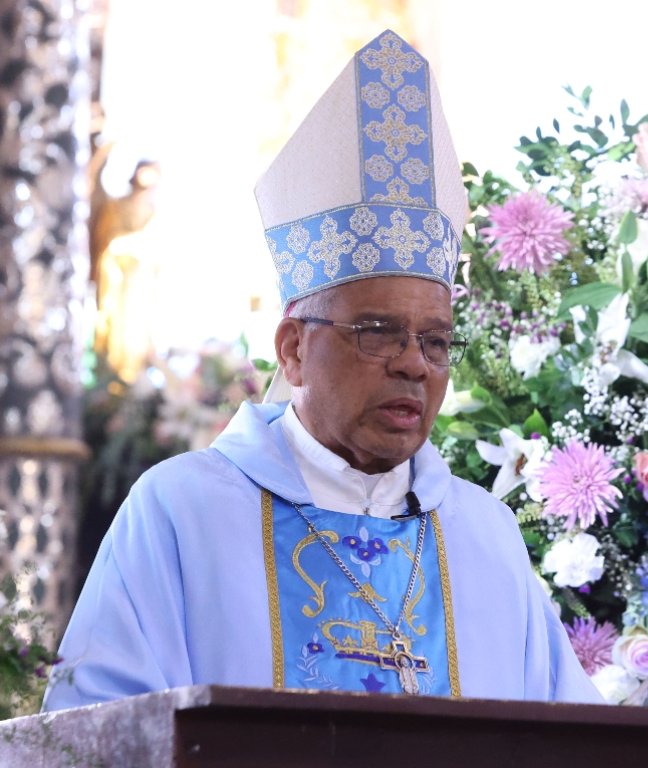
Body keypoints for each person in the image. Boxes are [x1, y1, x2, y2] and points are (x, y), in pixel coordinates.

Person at [43, 30, 604, 710]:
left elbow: (572, 736)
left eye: (435, 340)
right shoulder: (181, 512)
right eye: (377, 332)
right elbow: (96, 731)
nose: (412, 365)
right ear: (291, 348)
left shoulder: (484, 534)